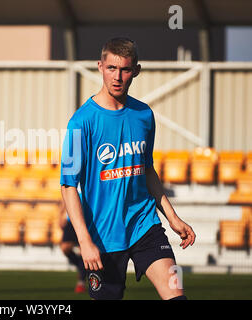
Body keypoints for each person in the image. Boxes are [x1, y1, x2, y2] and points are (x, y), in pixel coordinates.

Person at [60, 37, 196, 300]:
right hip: (103, 236)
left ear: (136, 70)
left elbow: (147, 171)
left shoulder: (144, 115)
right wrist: (85, 241)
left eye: (124, 69)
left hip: (145, 226)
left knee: (177, 297)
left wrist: (173, 218)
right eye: (111, 68)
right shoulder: (80, 122)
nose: (117, 76)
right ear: (100, 67)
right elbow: (68, 186)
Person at [59, 193, 86, 293]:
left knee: (83, 251)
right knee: (65, 248)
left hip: (86, 220)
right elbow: (65, 197)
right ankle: (81, 267)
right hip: (71, 221)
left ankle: (81, 282)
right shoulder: (72, 177)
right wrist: (60, 215)